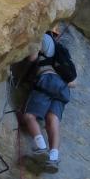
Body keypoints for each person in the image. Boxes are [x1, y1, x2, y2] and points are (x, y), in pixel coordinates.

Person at [18, 24, 76, 170]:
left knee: (28, 116)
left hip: (47, 80)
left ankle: (41, 148)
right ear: (56, 34)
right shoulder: (63, 52)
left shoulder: (42, 38)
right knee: (52, 120)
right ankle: (53, 158)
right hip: (63, 88)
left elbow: (32, 58)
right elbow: (73, 83)